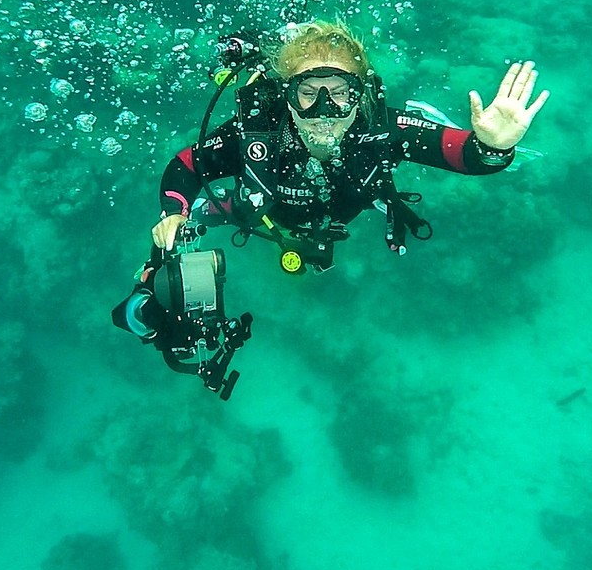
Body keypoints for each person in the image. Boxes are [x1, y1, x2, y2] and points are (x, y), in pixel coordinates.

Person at [112, 20, 548, 384]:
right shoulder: (255, 133)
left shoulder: (382, 129)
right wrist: (174, 214)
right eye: (308, 91)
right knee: (202, 224)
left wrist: (492, 146)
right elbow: (186, 166)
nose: (324, 108)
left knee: (309, 264)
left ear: (360, 94)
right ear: (287, 94)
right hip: (257, 212)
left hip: (336, 215)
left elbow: (463, 153)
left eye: (339, 92)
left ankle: (300, 262)